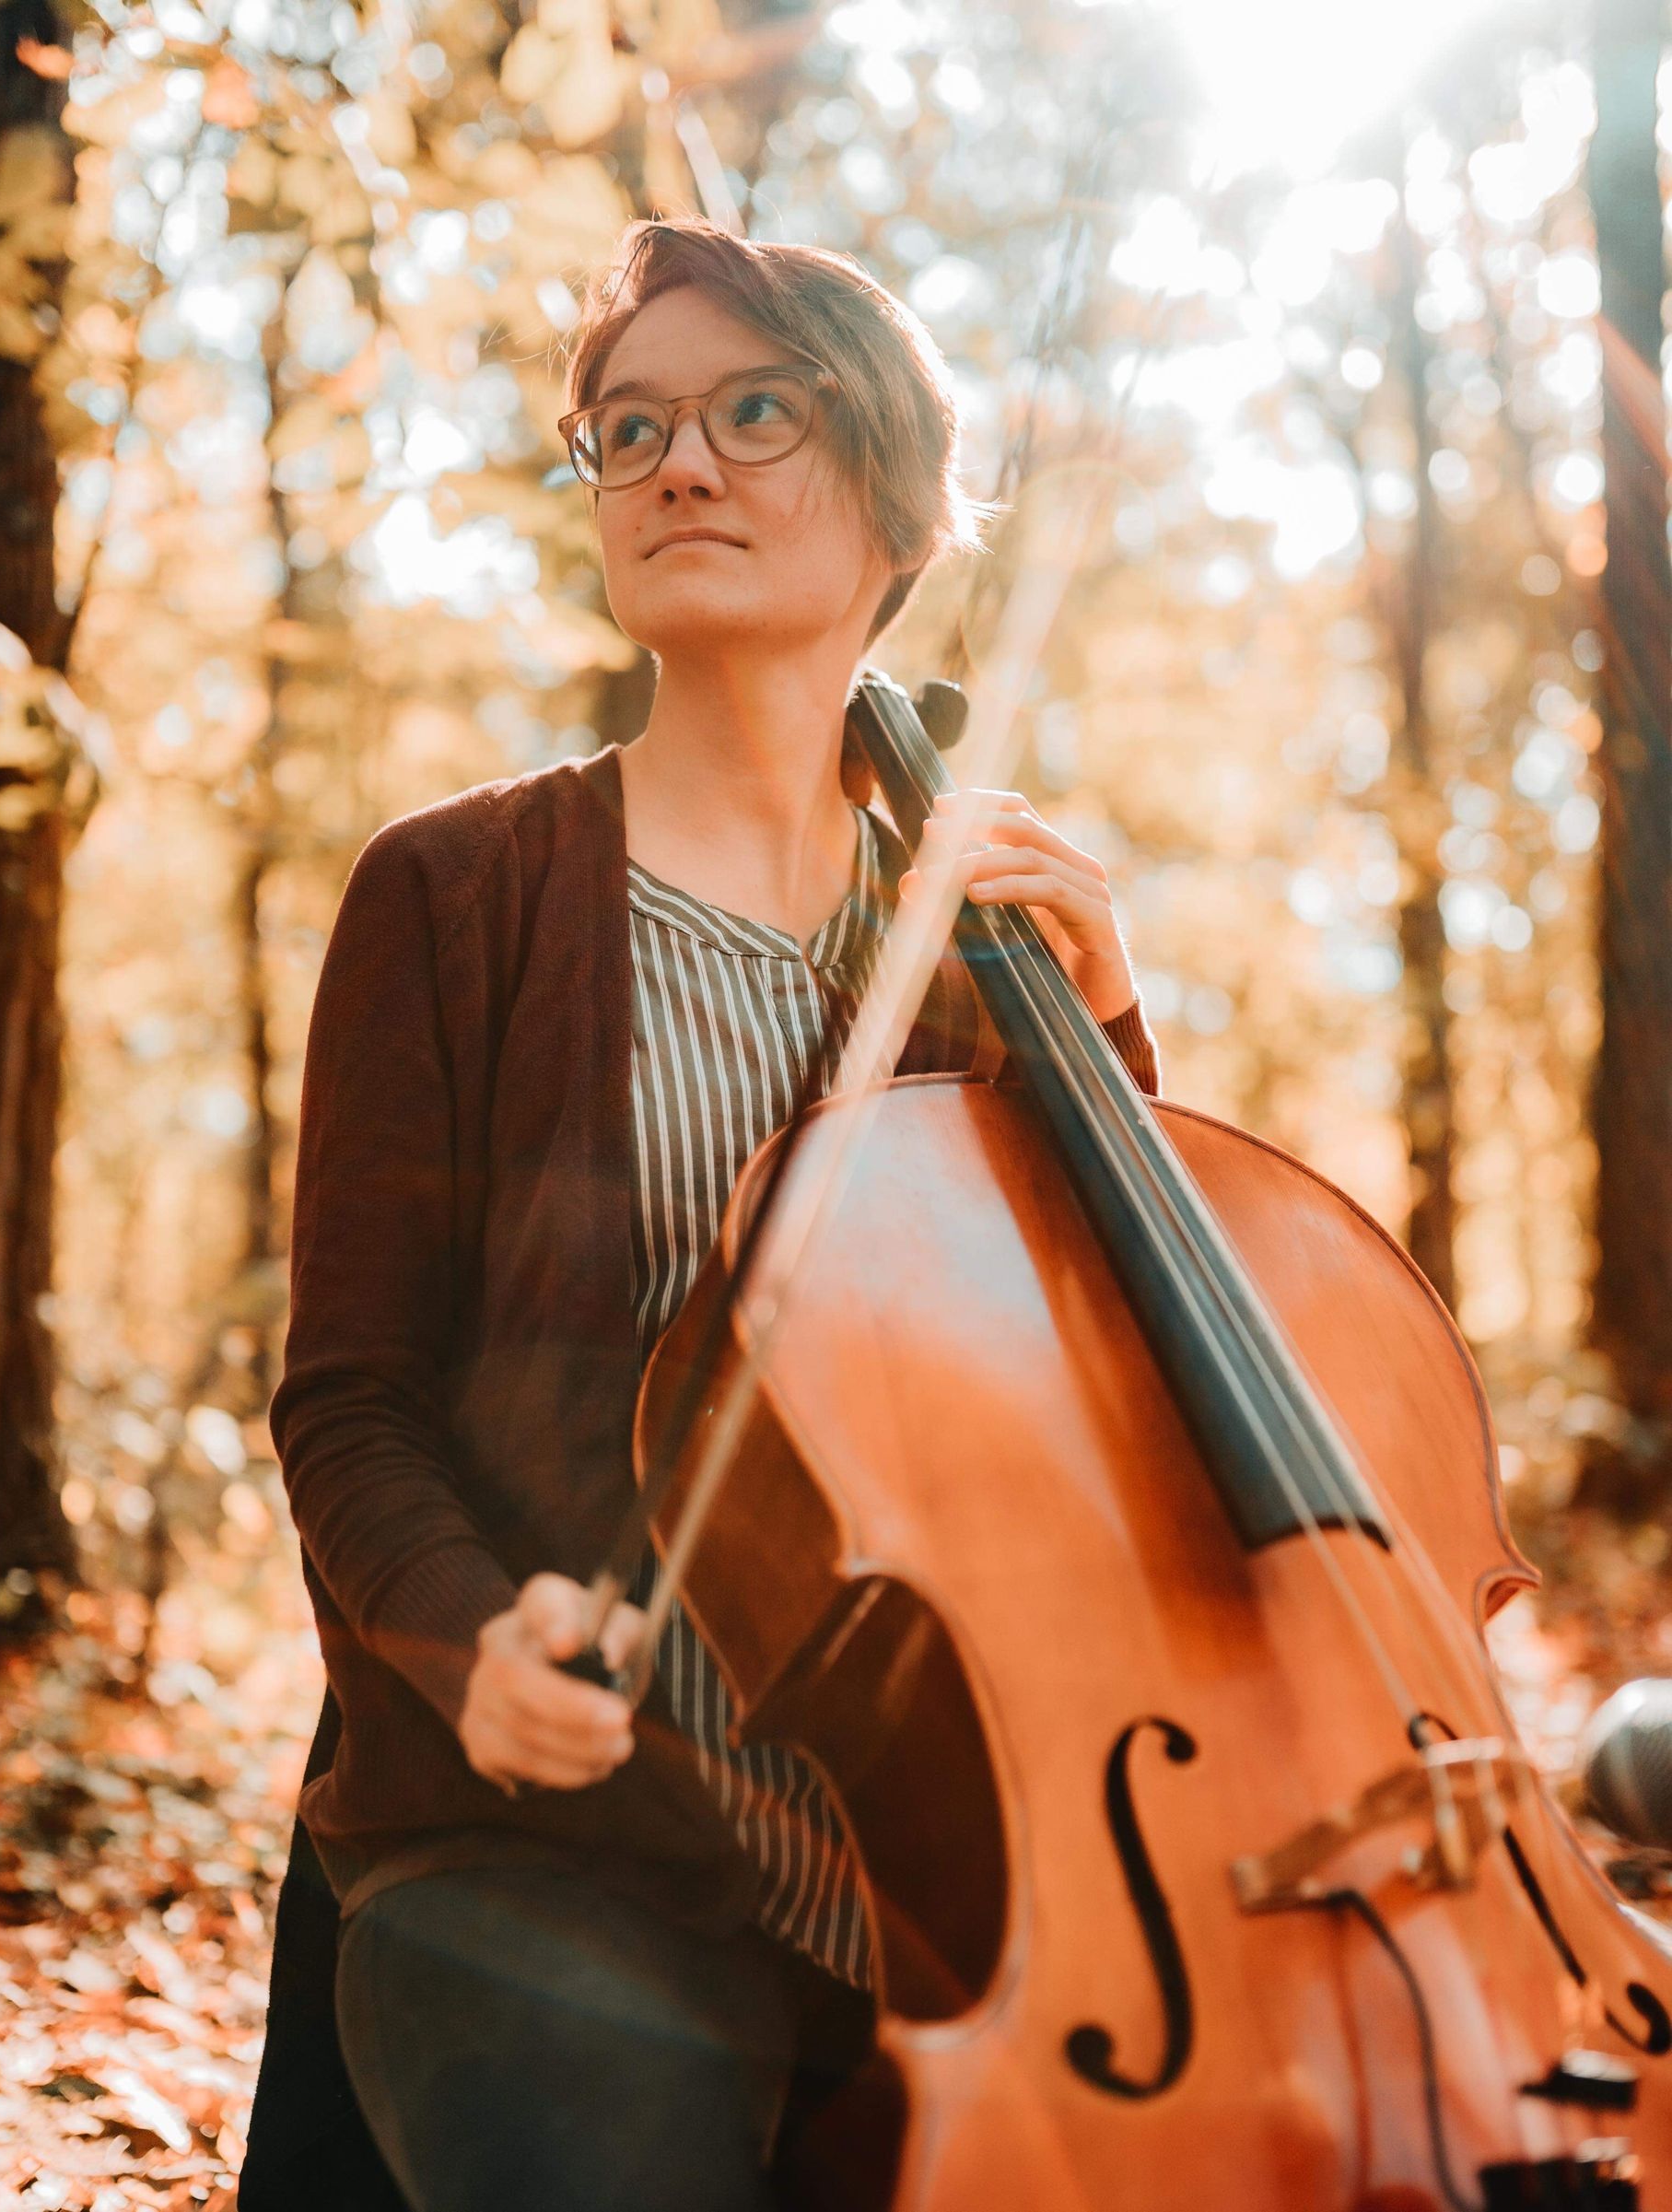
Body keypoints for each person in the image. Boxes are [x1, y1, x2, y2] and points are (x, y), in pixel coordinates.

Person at [241, 215, 1163, 2212]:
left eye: (760, 410)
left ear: (902, 501)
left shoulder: (992, 950)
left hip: (934, 1902)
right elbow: (349, 1397)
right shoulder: (456, 895)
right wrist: (473, 1642)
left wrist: (1104, 1036)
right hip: (542, 1853)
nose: (681, 463)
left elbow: (1108, 1418)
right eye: (631, 426)